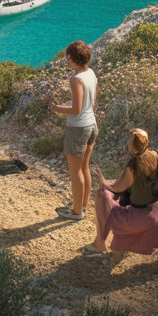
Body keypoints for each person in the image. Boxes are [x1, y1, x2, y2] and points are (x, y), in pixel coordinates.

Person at [85, 129, 158, 271]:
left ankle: (100, 243)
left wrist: (103, 181)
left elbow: (117, 188)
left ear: (132, 147)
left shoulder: (133, 166)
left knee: (102, 195)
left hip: (139, 218)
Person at [52, 40, 97, 221]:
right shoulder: (91, 73)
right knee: (85, 167)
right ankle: (83, 205)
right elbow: (93, 103)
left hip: (78, 128)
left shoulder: (76, 79)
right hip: (92, 125)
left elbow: (76, 109)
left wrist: (56, 107)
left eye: (69, 58)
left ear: (73, 58)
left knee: (75, 171)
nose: (68, 60)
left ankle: (77, 212)